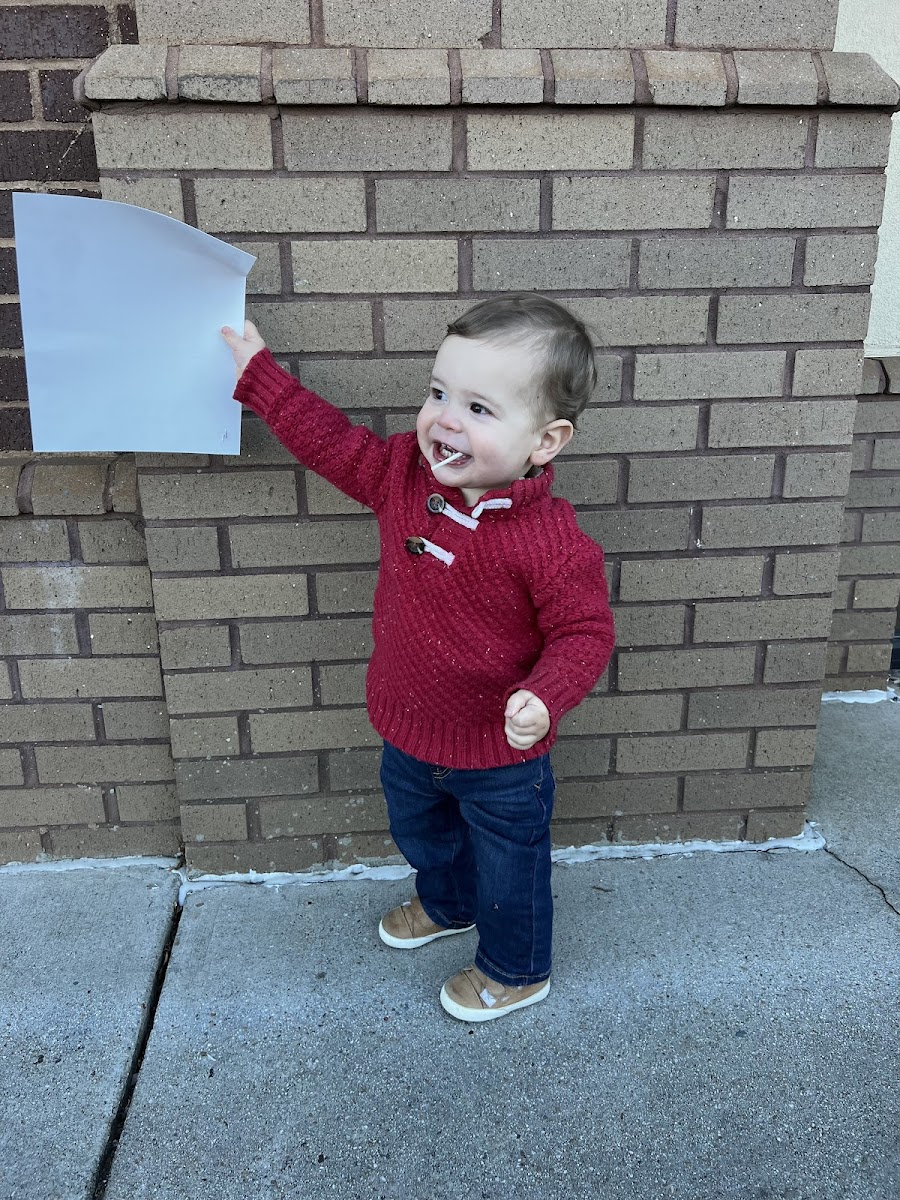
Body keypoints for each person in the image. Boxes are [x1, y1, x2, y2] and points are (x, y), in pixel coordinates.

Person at [221, 292, 615, 1022]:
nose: (445, 418)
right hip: (408, 729)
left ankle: (516, 967)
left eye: (480, 407)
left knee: (510, 869)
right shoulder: (402, 474)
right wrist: (259, 374)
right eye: (438, 393)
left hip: (501, 758)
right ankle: (448, 903)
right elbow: (331, 442)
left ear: (546, 441)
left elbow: (585, 633)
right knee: (423, 834)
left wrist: (546, 694)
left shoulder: (552, 543)